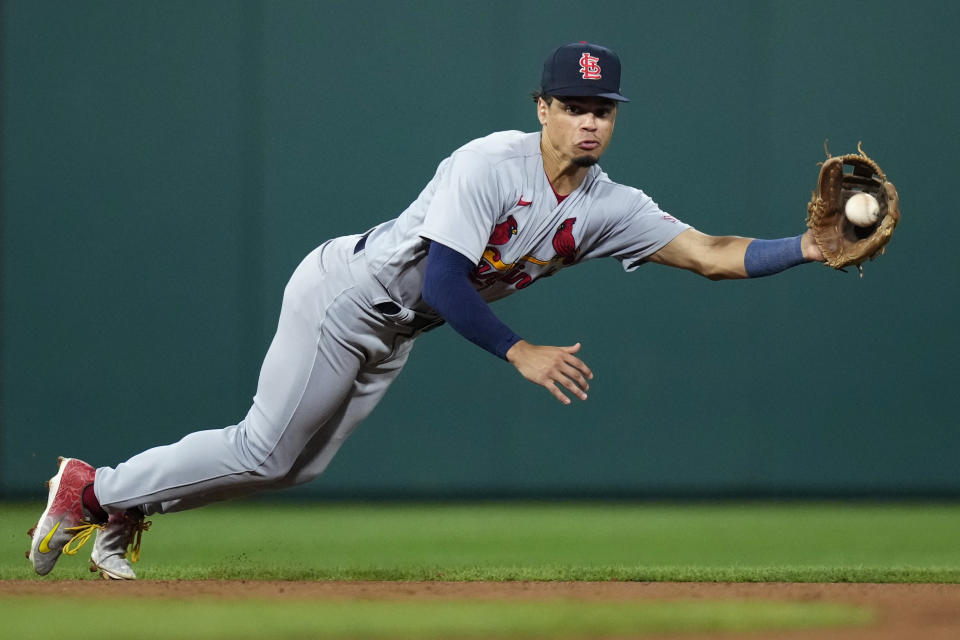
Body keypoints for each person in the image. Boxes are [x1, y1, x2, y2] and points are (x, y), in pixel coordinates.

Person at [28, 41, 824, 580]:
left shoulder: (612, 205)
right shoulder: (489, 163)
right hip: (347, 298)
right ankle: (94, 489)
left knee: (298, 466)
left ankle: (119, 503)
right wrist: (520, 352)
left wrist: (810, 247)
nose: (590, 119)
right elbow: (445, 280)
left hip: (398, 328)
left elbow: (715, 254)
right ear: (541, 106)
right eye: (574, 103)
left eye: (603, 108)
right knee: (265, 449)